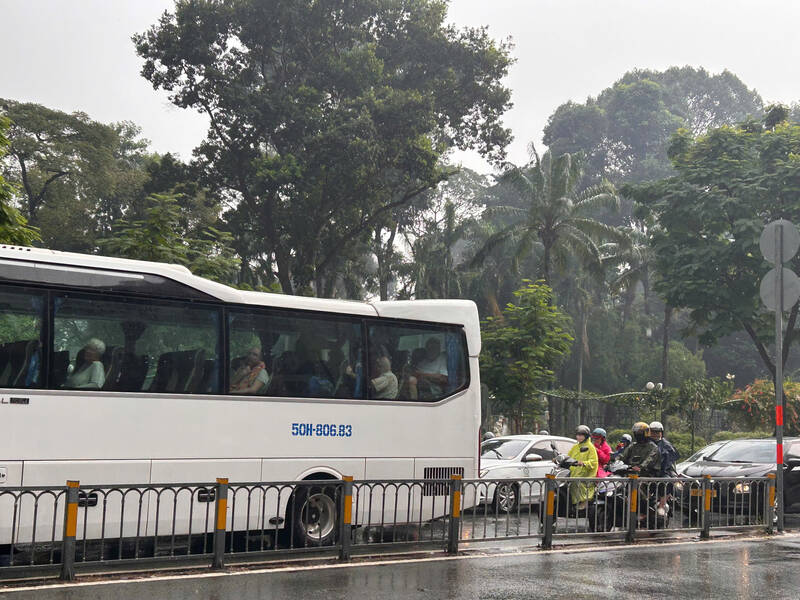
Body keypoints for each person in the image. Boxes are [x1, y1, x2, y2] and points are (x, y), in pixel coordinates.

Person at [566, 424, 599, 508]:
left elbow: (594, 462)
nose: (579, 437)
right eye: (578, 435)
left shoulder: (590, 447)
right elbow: (568, 456)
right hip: (574, 473)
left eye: (581, 435)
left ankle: (582, 502)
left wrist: (584, 463)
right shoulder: (575, 447)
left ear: (586, 436)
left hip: (585, 475)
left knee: (576, 482)